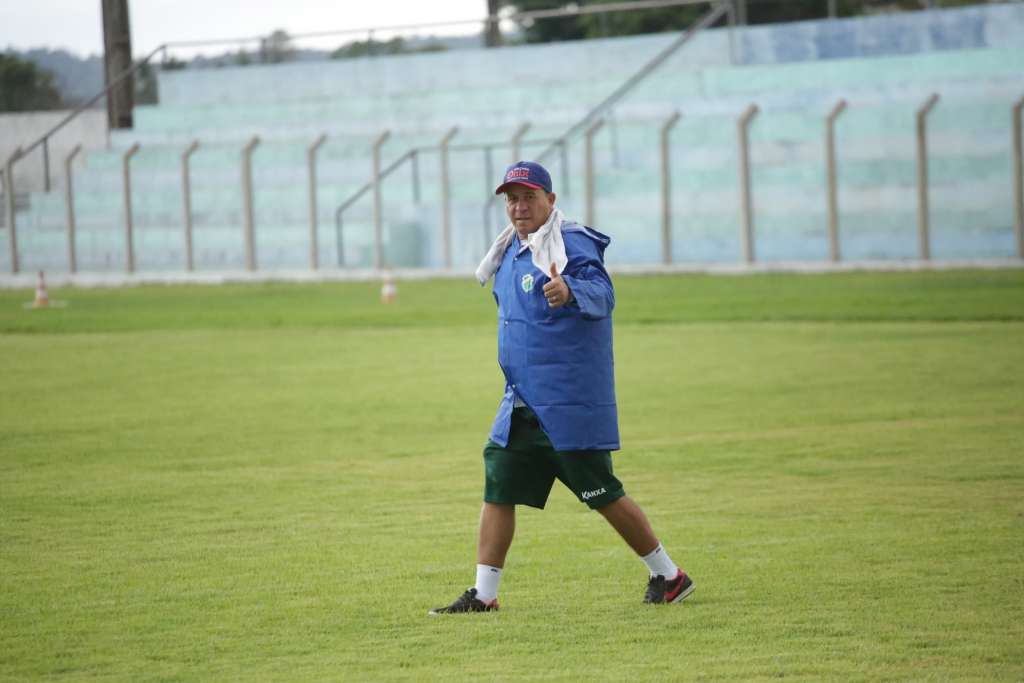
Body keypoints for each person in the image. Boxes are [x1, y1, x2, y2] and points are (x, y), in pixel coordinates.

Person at [429, 161, 693, 614]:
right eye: (511, 198)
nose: (518, 206)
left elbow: (604, 293)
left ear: (550, 200)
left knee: (603, 493)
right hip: (521, 401)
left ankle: (670, 576)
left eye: (528, 196)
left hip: (566, 403)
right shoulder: (510, 250)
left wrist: (570, 290)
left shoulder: (571, 243)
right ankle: (485, 596)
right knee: (498, 486)